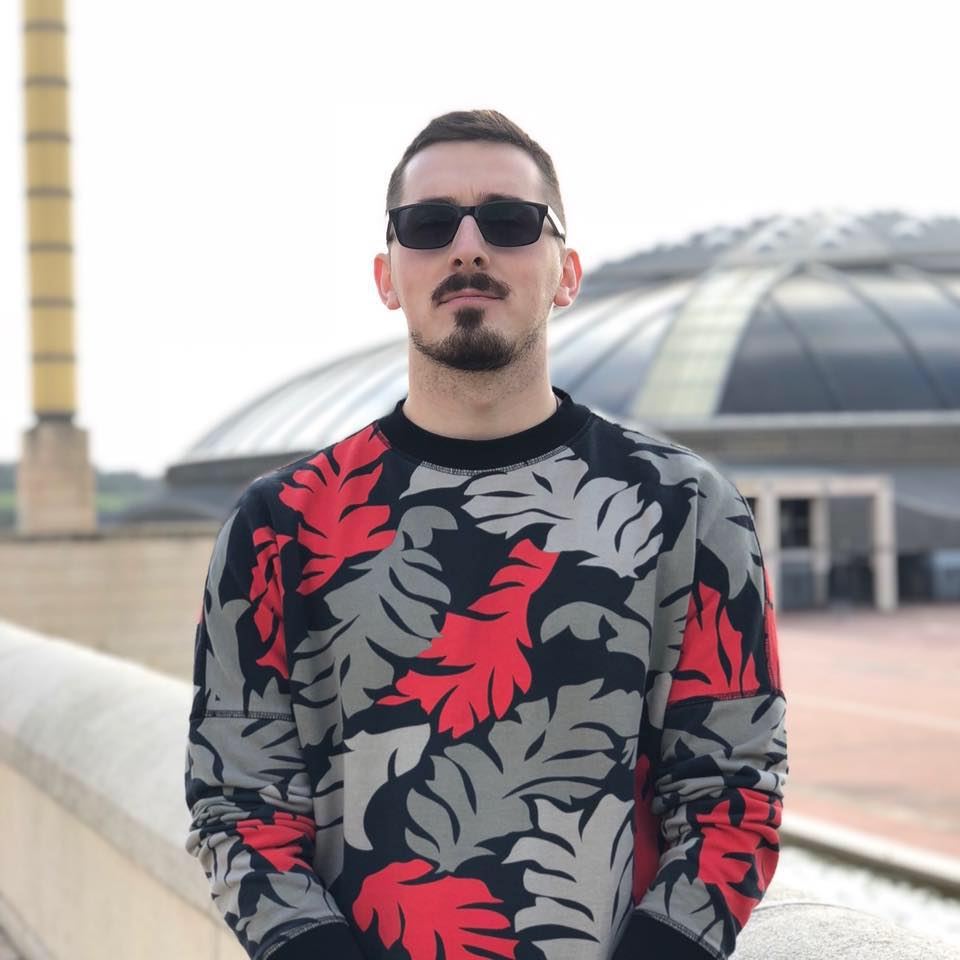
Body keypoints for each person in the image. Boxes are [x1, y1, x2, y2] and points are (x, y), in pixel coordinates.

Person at [184, 108, 788, 960]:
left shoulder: (686, 508)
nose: (467, 248)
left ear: (566, 273)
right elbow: (238, 806)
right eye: (428, 225)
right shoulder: (280, 525)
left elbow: (734, 794)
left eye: (509, 221)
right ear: (388, 276)